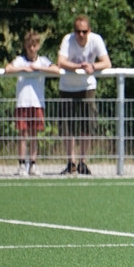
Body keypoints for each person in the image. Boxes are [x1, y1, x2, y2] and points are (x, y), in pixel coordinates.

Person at [56, 15, 111, 175]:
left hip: (87, 87)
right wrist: (78, 67)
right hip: (67, 87)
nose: (81, 35)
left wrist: (93, 66)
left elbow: (107, 62)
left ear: (89, 30)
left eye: (84, 31)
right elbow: (61, 61)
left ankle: (83, 162)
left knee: (87, 125)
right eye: (77, 31)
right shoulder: (67, 40)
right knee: (67, 127)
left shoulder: (96, 40)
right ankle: (71, 162)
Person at [4, 31, 60, 176]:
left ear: (38, 46)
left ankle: (33, 164)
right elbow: (8, 68)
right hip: (23, 102)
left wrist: (39, 69)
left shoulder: (42, 61)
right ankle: (22, 164)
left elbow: (56, 70)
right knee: (23, 134)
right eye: (29, 46)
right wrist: (23, 69)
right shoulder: (20, 60)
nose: (32, 49)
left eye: (34, 46)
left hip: (37, 103)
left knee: (34, 134)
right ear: (25, 46)